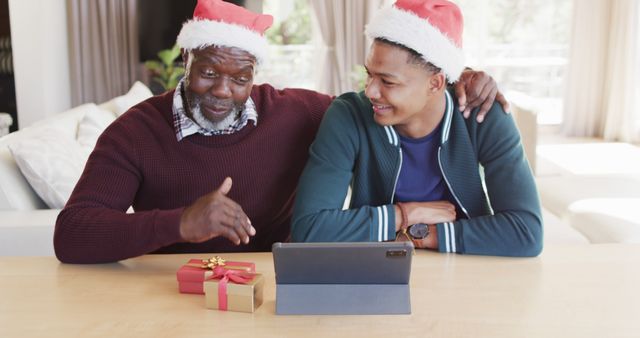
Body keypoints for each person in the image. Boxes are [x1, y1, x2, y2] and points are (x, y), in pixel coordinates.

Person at [54, 0, 508, 263]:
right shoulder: (134, 132)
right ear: (184, 62)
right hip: (173, 287)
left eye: (241, 77)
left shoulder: (297, 113)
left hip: (276, 285)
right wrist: (181, 222)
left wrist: (453, 76)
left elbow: (390, 99)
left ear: (255, 73)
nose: (224, 92)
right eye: (208, 73)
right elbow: (71, 234)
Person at [291, 0, 542, 257]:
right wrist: (406, 214)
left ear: (435, 83)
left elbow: (526, 232)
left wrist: (422, 235)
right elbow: (308, 229)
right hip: (378, 273)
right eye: (370, 75)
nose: (370, 91)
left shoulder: (482, 115)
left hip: (470, 270)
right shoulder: (348, 116)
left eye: (388, 81)